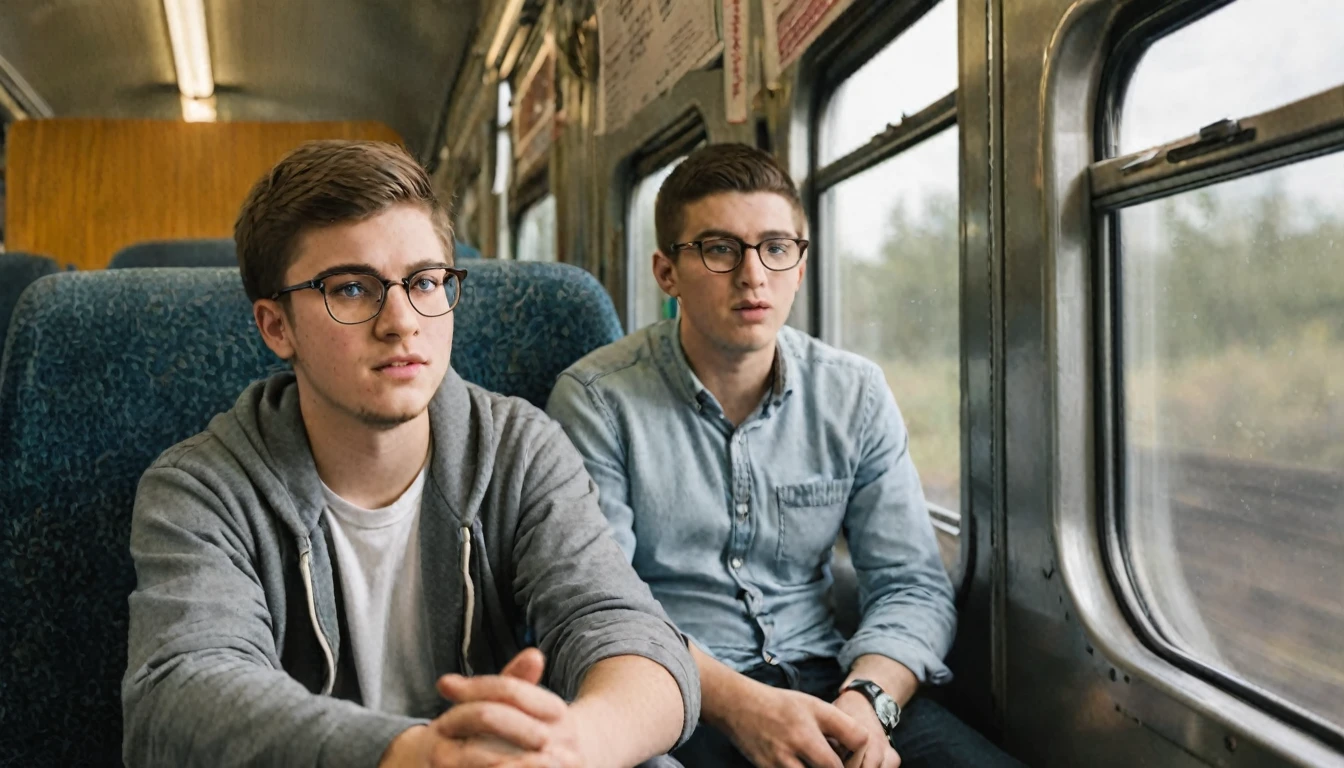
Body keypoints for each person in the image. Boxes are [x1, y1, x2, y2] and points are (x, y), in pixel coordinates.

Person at [122, 140, 698, 768]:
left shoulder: (517, 449)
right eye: (351, 290)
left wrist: (573, 746)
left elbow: (627, 630)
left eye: (424, 281)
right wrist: (412, 754)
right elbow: (179, 693)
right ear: (276, 326)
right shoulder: (200, 488)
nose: (401, 321)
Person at [547, 143, 1023, 768]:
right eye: (719, 249)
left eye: (776, 248)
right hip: (670, 693)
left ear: (799, 267)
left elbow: (911, 585)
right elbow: (603, 608)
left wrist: (867, 704)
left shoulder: (854, 394)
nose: (753, 275)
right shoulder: (596, 400)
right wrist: (743, 707)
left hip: (833, 689)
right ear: (667, 273)